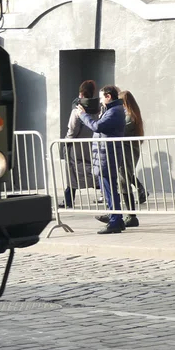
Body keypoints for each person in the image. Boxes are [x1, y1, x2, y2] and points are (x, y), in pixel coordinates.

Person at [77, 84, 127, 234]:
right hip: (104, 155)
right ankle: (116, 218)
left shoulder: (114, 111)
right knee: (109, 189)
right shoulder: (112, 110)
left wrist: (83, 115)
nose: (99, 101)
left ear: (108, 96)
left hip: (108, 155)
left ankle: (115, 221)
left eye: (101, 97)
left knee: (110, 189)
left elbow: (96, 127)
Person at [61, 80, 101, 207]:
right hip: (92, 144)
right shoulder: (98, 108)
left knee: (72, 171)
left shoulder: (77, 110)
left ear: (81, 93)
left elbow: (72, 129)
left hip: (77, 146)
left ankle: (68, 200)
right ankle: (105, 192)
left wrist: (66, 141)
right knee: (93, 168)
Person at [119, 90, 146, 228]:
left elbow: (120, 132)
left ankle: (131, 216)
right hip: (125, 152)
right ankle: (127, 214)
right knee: (124, 179)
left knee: (124, 181)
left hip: (128, 152)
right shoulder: (128, 115)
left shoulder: (130, 117)